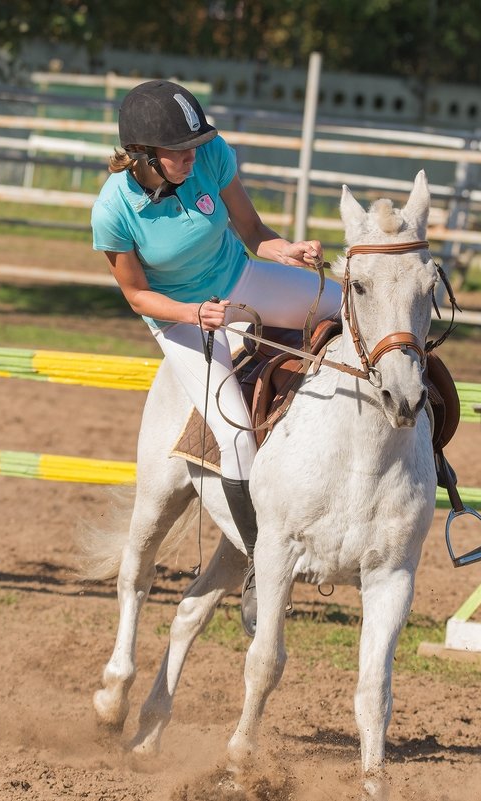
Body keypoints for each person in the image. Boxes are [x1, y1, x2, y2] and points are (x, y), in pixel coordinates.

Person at [91, 80, 342, 636]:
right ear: (142, 155)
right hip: (183, 321)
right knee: (231, 435)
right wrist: (191, 313)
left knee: (349, 303)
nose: (191, 155)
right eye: (179, 150)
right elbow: (136, 297)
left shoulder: (210, 155)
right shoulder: (113, 210)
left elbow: (252, 232)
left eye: (195, 145)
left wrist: (289, 250)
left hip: (242, 277)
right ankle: (260, 567)